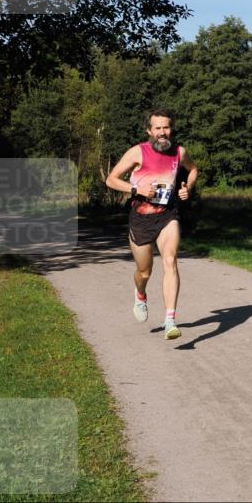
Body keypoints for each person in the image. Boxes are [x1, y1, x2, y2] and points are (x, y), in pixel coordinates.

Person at [106, 109, 198, 340]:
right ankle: (140, 294)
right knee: (144, 271)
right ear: (149, 131)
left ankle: (170, 320)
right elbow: (111, 179)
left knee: (170, 260)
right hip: (141, 219)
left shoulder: (179, 152)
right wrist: (136, 189)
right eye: (157, 128)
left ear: (171, 129)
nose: (162, 133)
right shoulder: (138, 152)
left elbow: (193, 169)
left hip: (168, 215)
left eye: (166, 127)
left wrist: (187, 187)